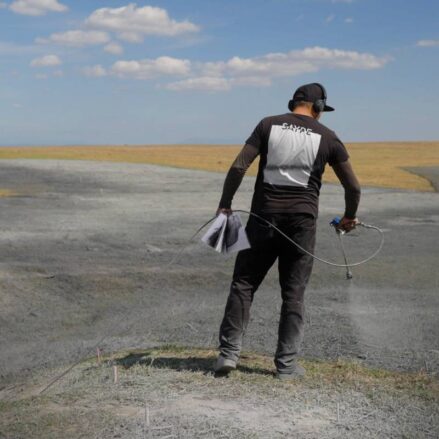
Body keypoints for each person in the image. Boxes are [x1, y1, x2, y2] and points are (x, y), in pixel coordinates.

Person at [214, 82, 361, 380]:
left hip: (262, 218)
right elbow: (353, 187)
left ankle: (228, 355)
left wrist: (225, 205)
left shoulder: (267, 125)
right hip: (301, 226)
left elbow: (239, 167)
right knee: (293, 294)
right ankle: (286, 366)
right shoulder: (328, 137)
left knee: (243, 283)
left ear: (293, 102)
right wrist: (349, 217)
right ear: (318, 107)